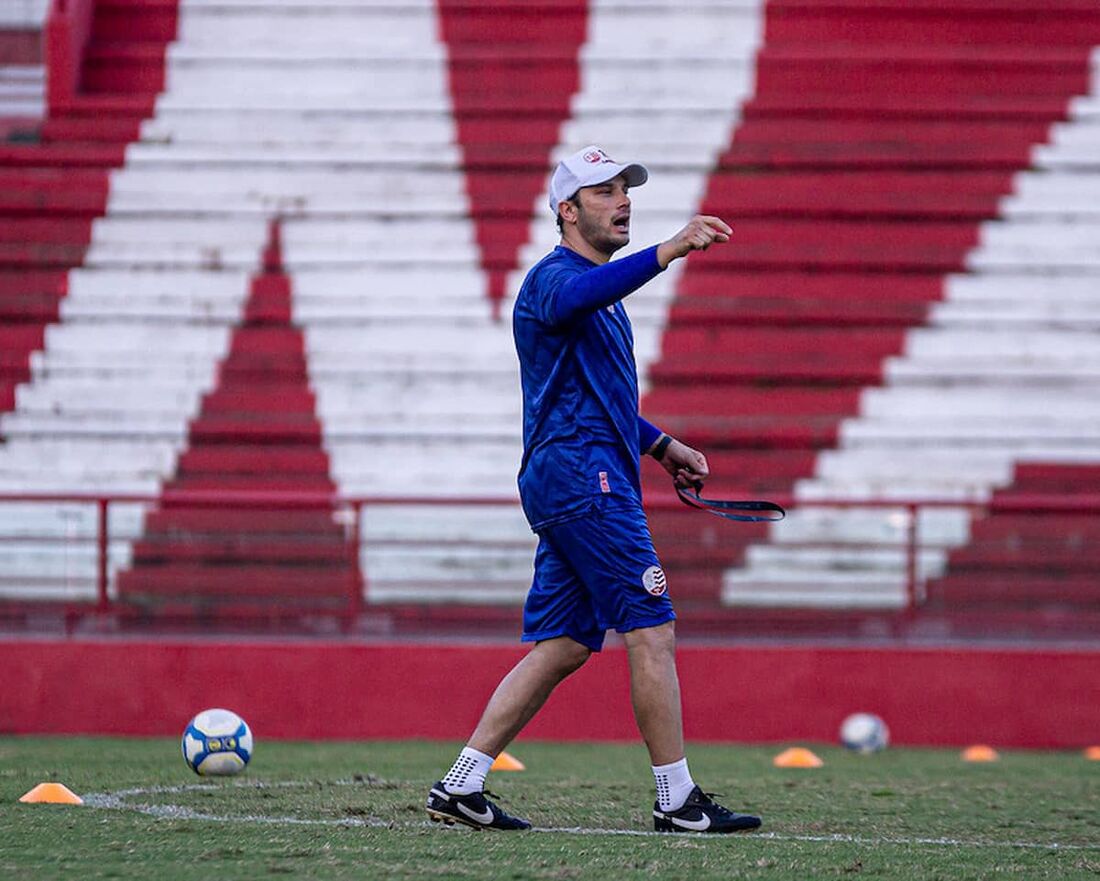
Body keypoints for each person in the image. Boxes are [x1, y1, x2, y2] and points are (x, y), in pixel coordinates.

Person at [426, 145, 761, 834]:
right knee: (652, 626)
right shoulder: (558, 279)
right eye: (604, 192)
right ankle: (678, 800)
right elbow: (579, 295)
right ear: (567, 211)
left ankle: (461, 784)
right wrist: (669, 249)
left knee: (566, 644)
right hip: (586, 480)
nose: (623, 201)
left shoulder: (598, 295)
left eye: (624, 190)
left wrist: (662, 445)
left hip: (576, 477)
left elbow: (602, 394)